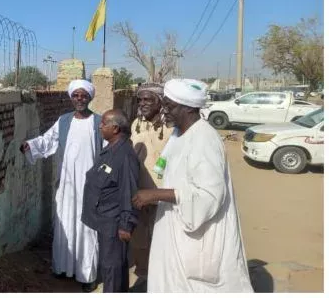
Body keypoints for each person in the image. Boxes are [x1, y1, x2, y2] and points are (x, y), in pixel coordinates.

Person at [132, 79, 253, 293]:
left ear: (188, 108)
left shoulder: (204, 138)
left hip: (196, 232)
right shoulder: (180, 133)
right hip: (174, 224)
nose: (164, 111)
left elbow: (209, 195)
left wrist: (156, 194)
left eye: (169, 106)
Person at [20, 80, 102, 290]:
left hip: (89, 185)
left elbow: (109, 151)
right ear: (71, 98)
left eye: (84, 95)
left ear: (90, 98)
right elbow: (48, 140)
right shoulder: (64, 121)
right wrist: (31, 145)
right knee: (65, 223)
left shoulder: (99, 123)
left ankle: (86, 275)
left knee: (87, 229)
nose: (80, 99)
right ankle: (63, 268)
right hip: (66, 185)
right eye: (76, 95)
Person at [81, 109, 139, 293]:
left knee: (112, 268)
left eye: (103, 123)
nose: (100, 126)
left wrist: (125, 225)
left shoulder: (124, 155)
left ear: (115, 128)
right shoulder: (111, 149)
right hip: (104, 220)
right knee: (114, 266)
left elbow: (128, 191)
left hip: (114, 223)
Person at [129, 83, 171, 289]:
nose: (143, 104)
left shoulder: (172, 126)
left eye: (148, 100)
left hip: (163, 193)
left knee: (162, 238)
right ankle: (144, 276)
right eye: (140, 100)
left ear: (160, 101)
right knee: (140, 240)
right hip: (139, 193)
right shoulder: (136, 124)